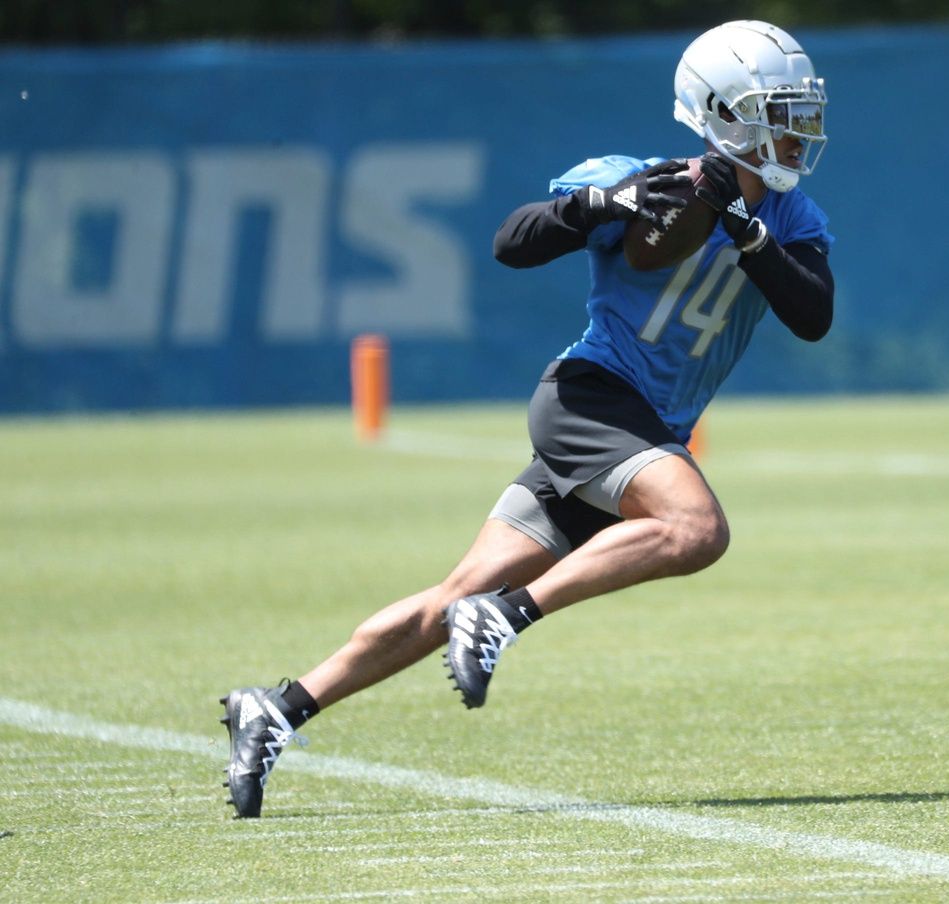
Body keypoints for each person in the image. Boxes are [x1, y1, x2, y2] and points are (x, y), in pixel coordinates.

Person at [219, 19, 835, 819]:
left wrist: (744, 230)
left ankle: (280, 706)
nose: (796, 129)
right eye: (775, 110)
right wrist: (599, 202)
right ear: (723, 111)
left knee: (449, 601)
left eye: (800, 110)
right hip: (593, 400)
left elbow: (812, 313)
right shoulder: (643, 178)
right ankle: (508, 616)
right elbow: (514, 240)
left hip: (636, 435)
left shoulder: (792, 219)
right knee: (695, 530)